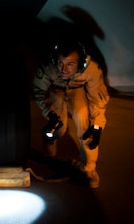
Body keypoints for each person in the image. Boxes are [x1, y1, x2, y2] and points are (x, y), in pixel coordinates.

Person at [32, 34, 110, 188]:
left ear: (80, 63)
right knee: (59, 128)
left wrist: (97, 127)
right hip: (57, 90)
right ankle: (50, 136)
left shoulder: (92, 70)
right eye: (60, 63)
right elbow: (39, 93)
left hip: (77, 90)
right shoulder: (48, 67)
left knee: (85, 126)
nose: (64, 69)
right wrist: (50, 114)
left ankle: (88, 168)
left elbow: (97, 101)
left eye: (70, 64)